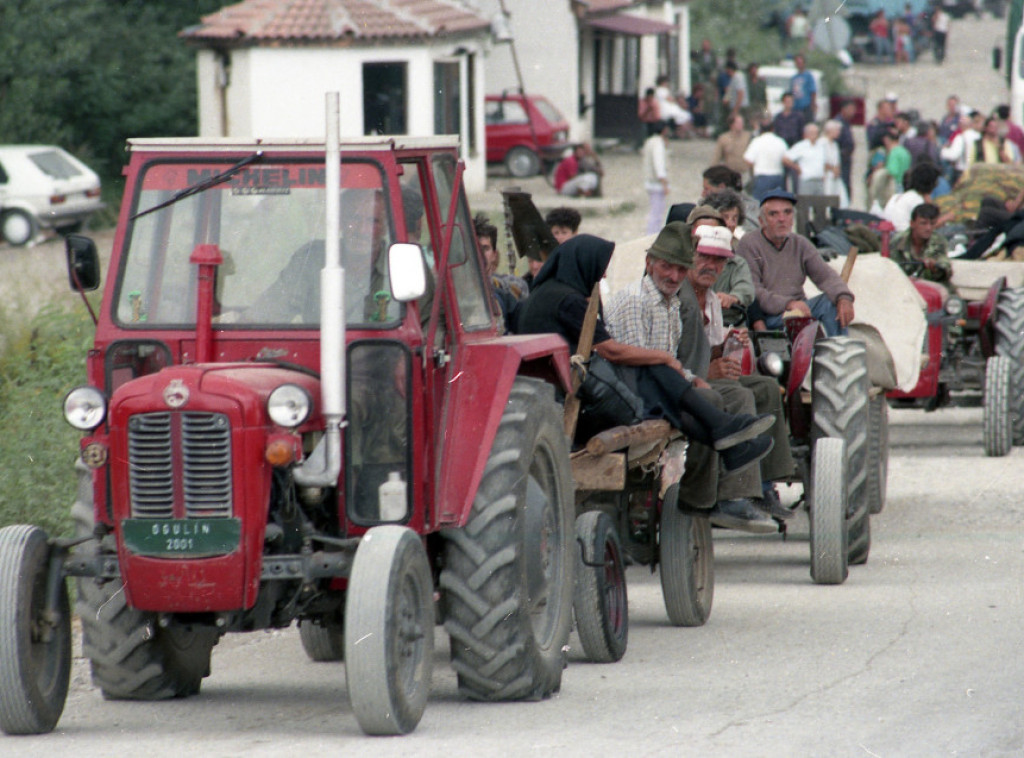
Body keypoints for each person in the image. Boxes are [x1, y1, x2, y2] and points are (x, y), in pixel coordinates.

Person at [515, 232, 774, 467]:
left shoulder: (549, 293)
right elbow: (610, 351)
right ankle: (723, 429)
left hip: (565, 394)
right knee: (655, 372)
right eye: (600, 268)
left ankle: (727, 440)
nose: (603, 275)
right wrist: (664, 358)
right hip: (573, 404)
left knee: (657, 385)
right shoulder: (567, 300)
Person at [604, 223, 781, 532]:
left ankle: (733, 493)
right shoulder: (636, 299)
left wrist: (690, 377)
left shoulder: (671, 303)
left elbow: (666, 362)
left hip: (660, 385)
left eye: (679, 269)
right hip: (632, 392)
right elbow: (638, 361)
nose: (673, 276)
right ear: (649, 264)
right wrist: (684, 374)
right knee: (710, 397)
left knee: (734, 393)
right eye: (665, 266)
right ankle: (699, 495)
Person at [678, 225, 797, 527]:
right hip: (685, 381)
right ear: (689, 257)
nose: (711, 266)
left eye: (718, 261)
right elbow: (670, 358)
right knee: (741, 394)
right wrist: (709, 369)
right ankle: (735, 496)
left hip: (702, 373)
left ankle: (766, 482)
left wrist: (728, 346)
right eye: (704, 257)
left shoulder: (713, 301)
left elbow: (711, 348)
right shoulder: (679, 298)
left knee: (766, 387)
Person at [737, 189, 855, 338]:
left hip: (799, 311)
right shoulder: (749, 243)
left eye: (787, 212)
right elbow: (753, 291)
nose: (782, 219)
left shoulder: (800, 243)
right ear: (761, 221)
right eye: (774, 214)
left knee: (830, 302)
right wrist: (788, 304)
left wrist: (843, 297)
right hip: (769, 318)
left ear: (793, 218)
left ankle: (838, 351)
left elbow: (825, 275)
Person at [475, 213, 529, 327]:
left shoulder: (509, 290)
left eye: (485, 248)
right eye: (475, 248)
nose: (480, 254)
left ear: (494, 254)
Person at [889, 203, 952, 286]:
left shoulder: (939, 241)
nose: (928, 228)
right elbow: (890, 269)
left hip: (932, 287)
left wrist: (936, 268)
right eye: (923, 223)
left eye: (932, 223)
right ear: (912, 223)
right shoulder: (898, 241)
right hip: (903, 287)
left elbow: (945, 266)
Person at [744, 120, 789, 202]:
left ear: (761, 130)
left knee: (760, 204)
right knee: (777, 203)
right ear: (773, 129)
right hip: (777, 176)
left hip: (762, 177)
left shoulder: (757, 141)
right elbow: (786, 160)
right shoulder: (780, 141)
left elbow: (748, 160)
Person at [643, 121, 672, 234]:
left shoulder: (650, 141)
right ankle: (651, 234)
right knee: (657, 213)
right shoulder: (658, 143)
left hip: (651, 181)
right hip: (657, 183)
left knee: (656, 211)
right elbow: (659, 164)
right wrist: (664, 183)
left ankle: (652, 233)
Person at [783, 122, 827, 196]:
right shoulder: (801, 146)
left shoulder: (821, 146)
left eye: (815, 133)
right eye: (811, 133)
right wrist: (796, 167)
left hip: (819, 180)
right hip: (806, 180)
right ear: (806, 134)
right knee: (805, 204)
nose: (814, 135)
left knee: (820, 205)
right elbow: (785, 158)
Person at [822, 120, 848, 207]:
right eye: (837, 130)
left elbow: (837, 161)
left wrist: (837, 169)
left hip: (835, 176)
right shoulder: (822, 143)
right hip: (826, 176)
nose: (838, 132)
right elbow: (821, 161)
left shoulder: (835, 144)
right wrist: (832, 169)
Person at [836, 99, 857, 200]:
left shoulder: (846, 122)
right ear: (844, 109)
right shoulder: (838, 123)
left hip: (846, 160)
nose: (853, 112)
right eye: (851, 109)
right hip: (841, 160)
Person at [789, 54, 817, 123]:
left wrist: (813, 105)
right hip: (796, 108)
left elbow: (813, 91)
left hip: (806, 107)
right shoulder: (794, 78)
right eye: (797, 63)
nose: (799, 64)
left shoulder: (808, 76)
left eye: (800, 63)